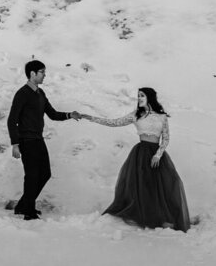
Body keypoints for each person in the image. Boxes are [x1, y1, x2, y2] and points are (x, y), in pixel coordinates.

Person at [81, 87, 191, 232]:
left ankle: (159, 216)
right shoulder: (136, 115)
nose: (139, 98)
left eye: (142, 96)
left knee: (159, 187)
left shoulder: (161, 117)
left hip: (156, 155)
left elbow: (166, 138)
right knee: (141, 185)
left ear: (150, 97)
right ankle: (143, 215)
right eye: (138, 96)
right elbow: (113, 123)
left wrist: (158, 154)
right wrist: (90, 118)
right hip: (140, 153)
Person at [6, 59, 81, 220]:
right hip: (26, 140)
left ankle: (23, 205)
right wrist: (15, 144)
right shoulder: (22, 94)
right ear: (32, 73)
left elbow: (52, 114)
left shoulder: (40, 94)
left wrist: (69, 115)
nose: (44, 75)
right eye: (42, 72)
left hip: (38, 139)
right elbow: (12, 120)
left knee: (45, 174)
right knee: (32, 176)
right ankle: (28, 211)